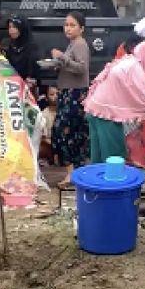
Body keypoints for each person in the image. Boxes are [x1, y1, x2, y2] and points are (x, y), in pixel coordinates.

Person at [83, 40, 145, 164]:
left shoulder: (128, 61)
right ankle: (113, 183)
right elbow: (143, 98)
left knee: (99, 155)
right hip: (106, 115)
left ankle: (98, 181)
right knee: (114, 156)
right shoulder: (135, 69)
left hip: (96, 109)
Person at [49, 12, 91, 188]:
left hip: (76, 94)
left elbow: (81, 68)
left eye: (72, 25)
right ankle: (74, 172)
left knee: (64, 132)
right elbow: (70, 67)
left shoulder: (80, 44)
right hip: (68, 92)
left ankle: (72, 172)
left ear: (81, 28)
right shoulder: (72, 44)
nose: (68, 28)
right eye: (66, 25)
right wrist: (57, 65)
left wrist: (61, 58)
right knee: (72, 133)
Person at [1, 16, 37, 82]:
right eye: (9, 27)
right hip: (9, 80)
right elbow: (3, 67)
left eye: (14, 27)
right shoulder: (7, 43)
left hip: (25, 83)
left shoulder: (31, 46)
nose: (11, 30)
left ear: (22, 28)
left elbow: (32, 71)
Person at [36, 85, 59, 165]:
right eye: (52, 94)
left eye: (57, 94)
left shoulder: (64, 113)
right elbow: (44, 138)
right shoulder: (43, 114)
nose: (55, 97)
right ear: (46, 97)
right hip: (50, 146)